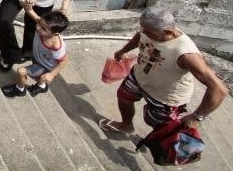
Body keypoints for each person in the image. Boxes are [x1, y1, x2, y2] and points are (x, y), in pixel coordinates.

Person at [98, 7, 228, 134]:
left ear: (168, 32)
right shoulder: (150, 29)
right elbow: (140, 36)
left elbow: (219, 89)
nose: (144, 33)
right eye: (143, 29)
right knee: (124, 97)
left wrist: (197, 117)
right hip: (139, 77)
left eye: (149, 32)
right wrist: (123, 51)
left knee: (161, 128)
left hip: (165, 97)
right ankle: (126, 125)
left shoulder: (186, 54)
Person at [2, 8, 69, 97]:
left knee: (21, 71)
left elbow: (65, 61)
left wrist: (52, 74)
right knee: (40, 78)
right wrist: (28, 7)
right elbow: (33, 14)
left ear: (55, 34)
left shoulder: (56, 47)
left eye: (43, 29)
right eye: (39, 23)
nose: (38, 28)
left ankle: (19, 89)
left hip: (44, 66)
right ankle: (41, 86)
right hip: (38, 58)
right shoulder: (43, 24)